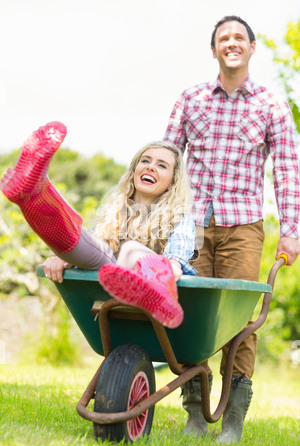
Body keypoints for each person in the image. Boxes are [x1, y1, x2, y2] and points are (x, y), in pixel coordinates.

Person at [164, 15, 300, 443]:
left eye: (239, 37)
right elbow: (166, 158)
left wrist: (292, 229)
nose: (231, 43)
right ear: (214, 50)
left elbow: (288, 172)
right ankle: (195, 414)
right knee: (190, 315)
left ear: (252, 47)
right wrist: (152, 219)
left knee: (241, 321)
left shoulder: (271, 105)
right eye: (224, 38)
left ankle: (234, 418)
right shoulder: (191, 100)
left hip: (243, 226)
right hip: (193, 228)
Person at [0, 121, 198, 329]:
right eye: (145, 160)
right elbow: (92, 246)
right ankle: (36, 193)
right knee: (91, 248)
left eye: (161, 165)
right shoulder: (115, 212)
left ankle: (159, 293)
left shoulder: (180, 216)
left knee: (130, 249)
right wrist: (64, 258)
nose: (150, 166)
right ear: (134, 171)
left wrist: (173, 265)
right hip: (114, 284)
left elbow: (178, 253)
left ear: (172, 182)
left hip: (162, 289)